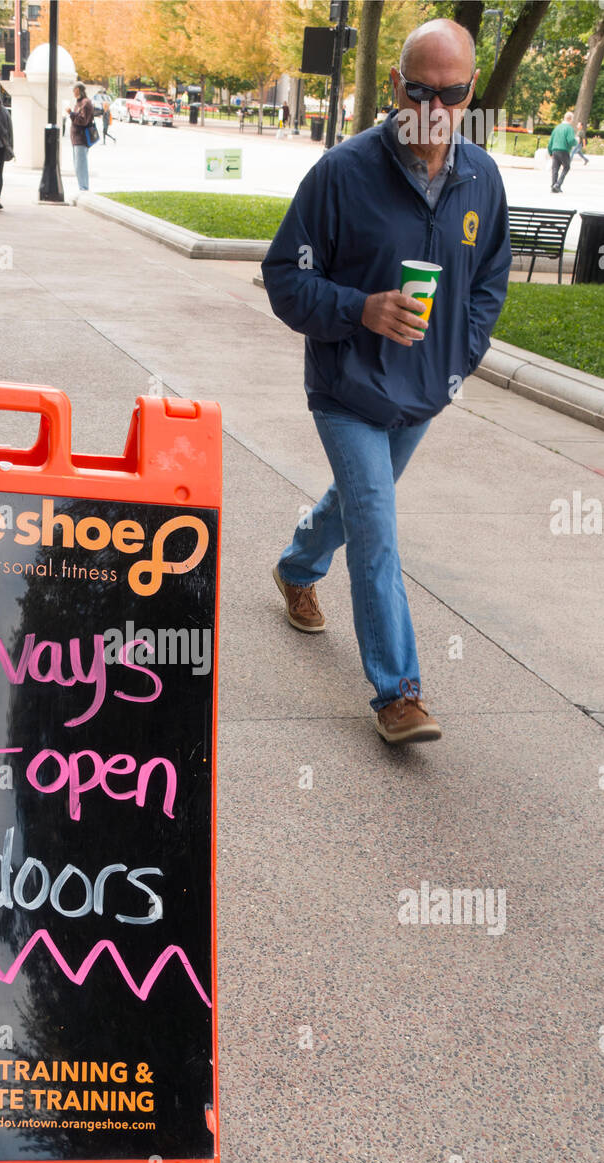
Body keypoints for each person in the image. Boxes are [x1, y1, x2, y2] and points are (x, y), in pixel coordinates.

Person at [261, 18, 511, 745]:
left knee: (354, 503)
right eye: (422, 89)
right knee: (376, 527)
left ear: (471, 92)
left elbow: (490, 280)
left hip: (424, 393)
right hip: (346, 389)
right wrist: (359, 309)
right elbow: (284, 279)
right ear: (397, 86)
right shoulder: (342, 173)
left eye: (454, 91)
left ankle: (296, 566)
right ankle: (398, 693)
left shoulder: (481, 177)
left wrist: (461, 355)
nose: (436, 106)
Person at [66, 83, 95, 191]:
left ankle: (84, 188)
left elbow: (83, 120)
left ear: (77, 90)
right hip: (76, 139)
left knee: (81, 165)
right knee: (78, 165)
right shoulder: (80, 103)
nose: (73, 92)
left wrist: (71, 114)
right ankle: (82, 187)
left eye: (74, 90)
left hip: (81, 139)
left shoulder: (85, 103)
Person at [548, 111, 577, 192]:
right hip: (563, 150)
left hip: (554, 150)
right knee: (566, 167)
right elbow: (571, 140)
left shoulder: (557, 127)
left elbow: (550, 141)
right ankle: (557, 185)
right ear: (571, 119)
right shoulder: (569, 128)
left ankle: (553, 186)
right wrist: (576, 141)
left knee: (555, 169)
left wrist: (550, 152)